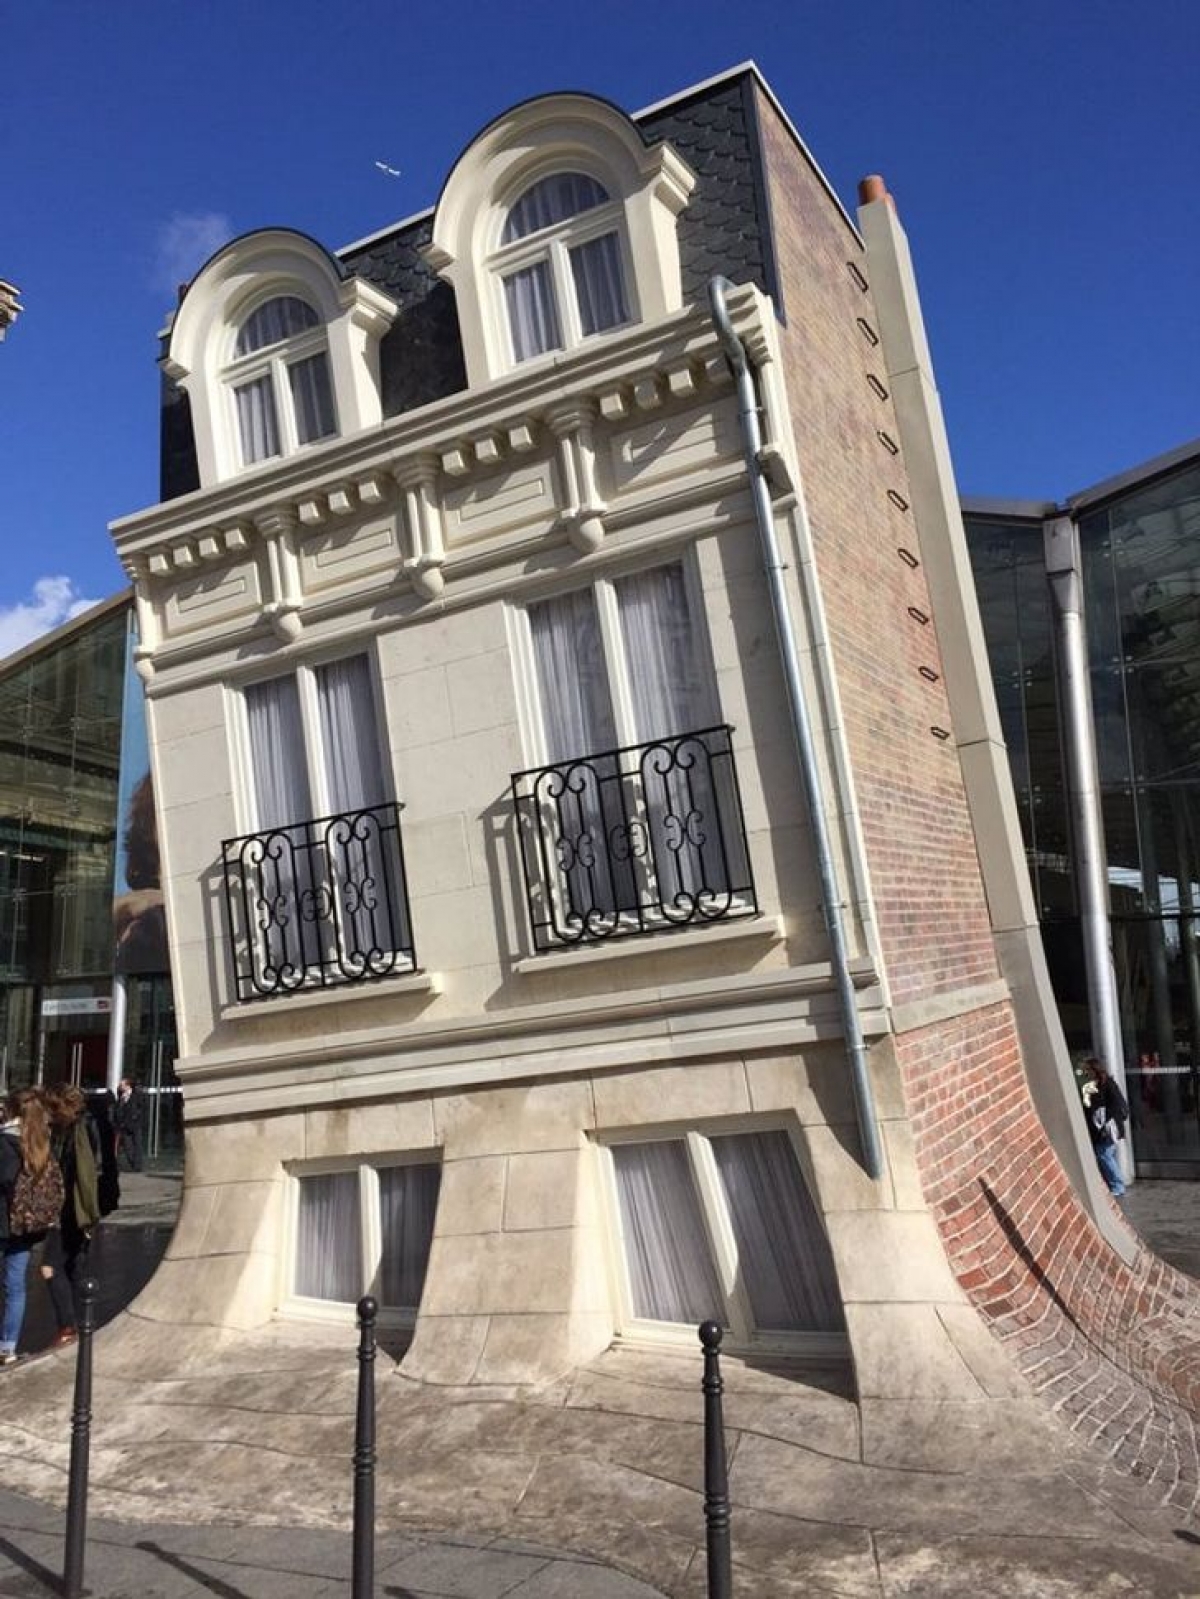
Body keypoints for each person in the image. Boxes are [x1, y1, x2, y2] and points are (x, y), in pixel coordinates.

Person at [0, 1089, 62, 1367]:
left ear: (11, 1111)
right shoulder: (41, 1143)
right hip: (25, 1226)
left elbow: (5, 1180)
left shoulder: (5, 1142)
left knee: (13, 1286)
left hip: (3, 1221)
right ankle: (8, 1347)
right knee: (15, 1288)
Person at [40, 1085, 103, 1346]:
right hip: (72, 1209)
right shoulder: (67, 1129)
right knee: (74, 1268)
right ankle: (81, 1326)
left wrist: (88, 1214)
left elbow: (87, 1175)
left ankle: (69, 1327)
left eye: (52, 1107)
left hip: (73, 1210)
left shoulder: (80, 1129)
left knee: (51, 1267)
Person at [1082, 1055, 1129, 1197]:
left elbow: (1117, 1104)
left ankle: (1117, 1185)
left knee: (1105, 1155)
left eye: (1087, 1070)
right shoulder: (1092, 1085)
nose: (1085, 1073)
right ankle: (1114, 1184)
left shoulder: (1108, 1084)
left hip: (1108, 1126)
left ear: (1094, 1069)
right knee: (1104, 1154)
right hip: (1098, 1127)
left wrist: (1105, 1120)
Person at [113, 1078, 144, 1173]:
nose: (120, 1087)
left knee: (137, 1145)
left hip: (135, 1124)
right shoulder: (121, 1097)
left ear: (127, 1086)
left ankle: (137, 1166)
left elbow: (141, 1108)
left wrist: (136, 1117)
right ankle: (133, 1164)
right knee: (128, 1147)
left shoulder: (136, 1095)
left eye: (122, 1085)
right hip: (124, 1126)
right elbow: (118, 1110)